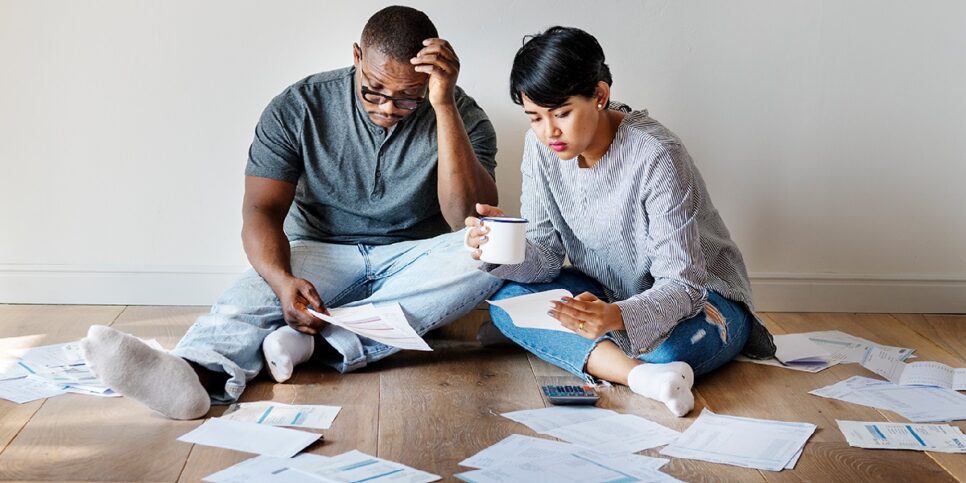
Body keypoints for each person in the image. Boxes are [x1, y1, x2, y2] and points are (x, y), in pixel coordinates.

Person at [80, 5, 503, 420]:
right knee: (249, 297)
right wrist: (282, 281)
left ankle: (317, 345)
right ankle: (192, 373)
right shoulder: (299, 106)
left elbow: (465, 217)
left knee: (492, 252)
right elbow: (260, 210)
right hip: (319, 250)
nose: (388, 108)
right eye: (373, 89)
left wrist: (442, 106)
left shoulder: (462, 115)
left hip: (414, 258)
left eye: (408, 98)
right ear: (356, 57)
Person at [465, 26, 776, 417]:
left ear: (599, 95)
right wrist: (495, 248)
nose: (549, 132)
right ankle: (643, 377)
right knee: (506, 301)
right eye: (535, 118)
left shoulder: (657, 155)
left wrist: (615, 317)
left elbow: (684, 284)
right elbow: (545, 259)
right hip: (611, 293)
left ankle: (600, 355)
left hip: (705, 300)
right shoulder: (541, 147)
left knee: (669, 349)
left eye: (561, 114)